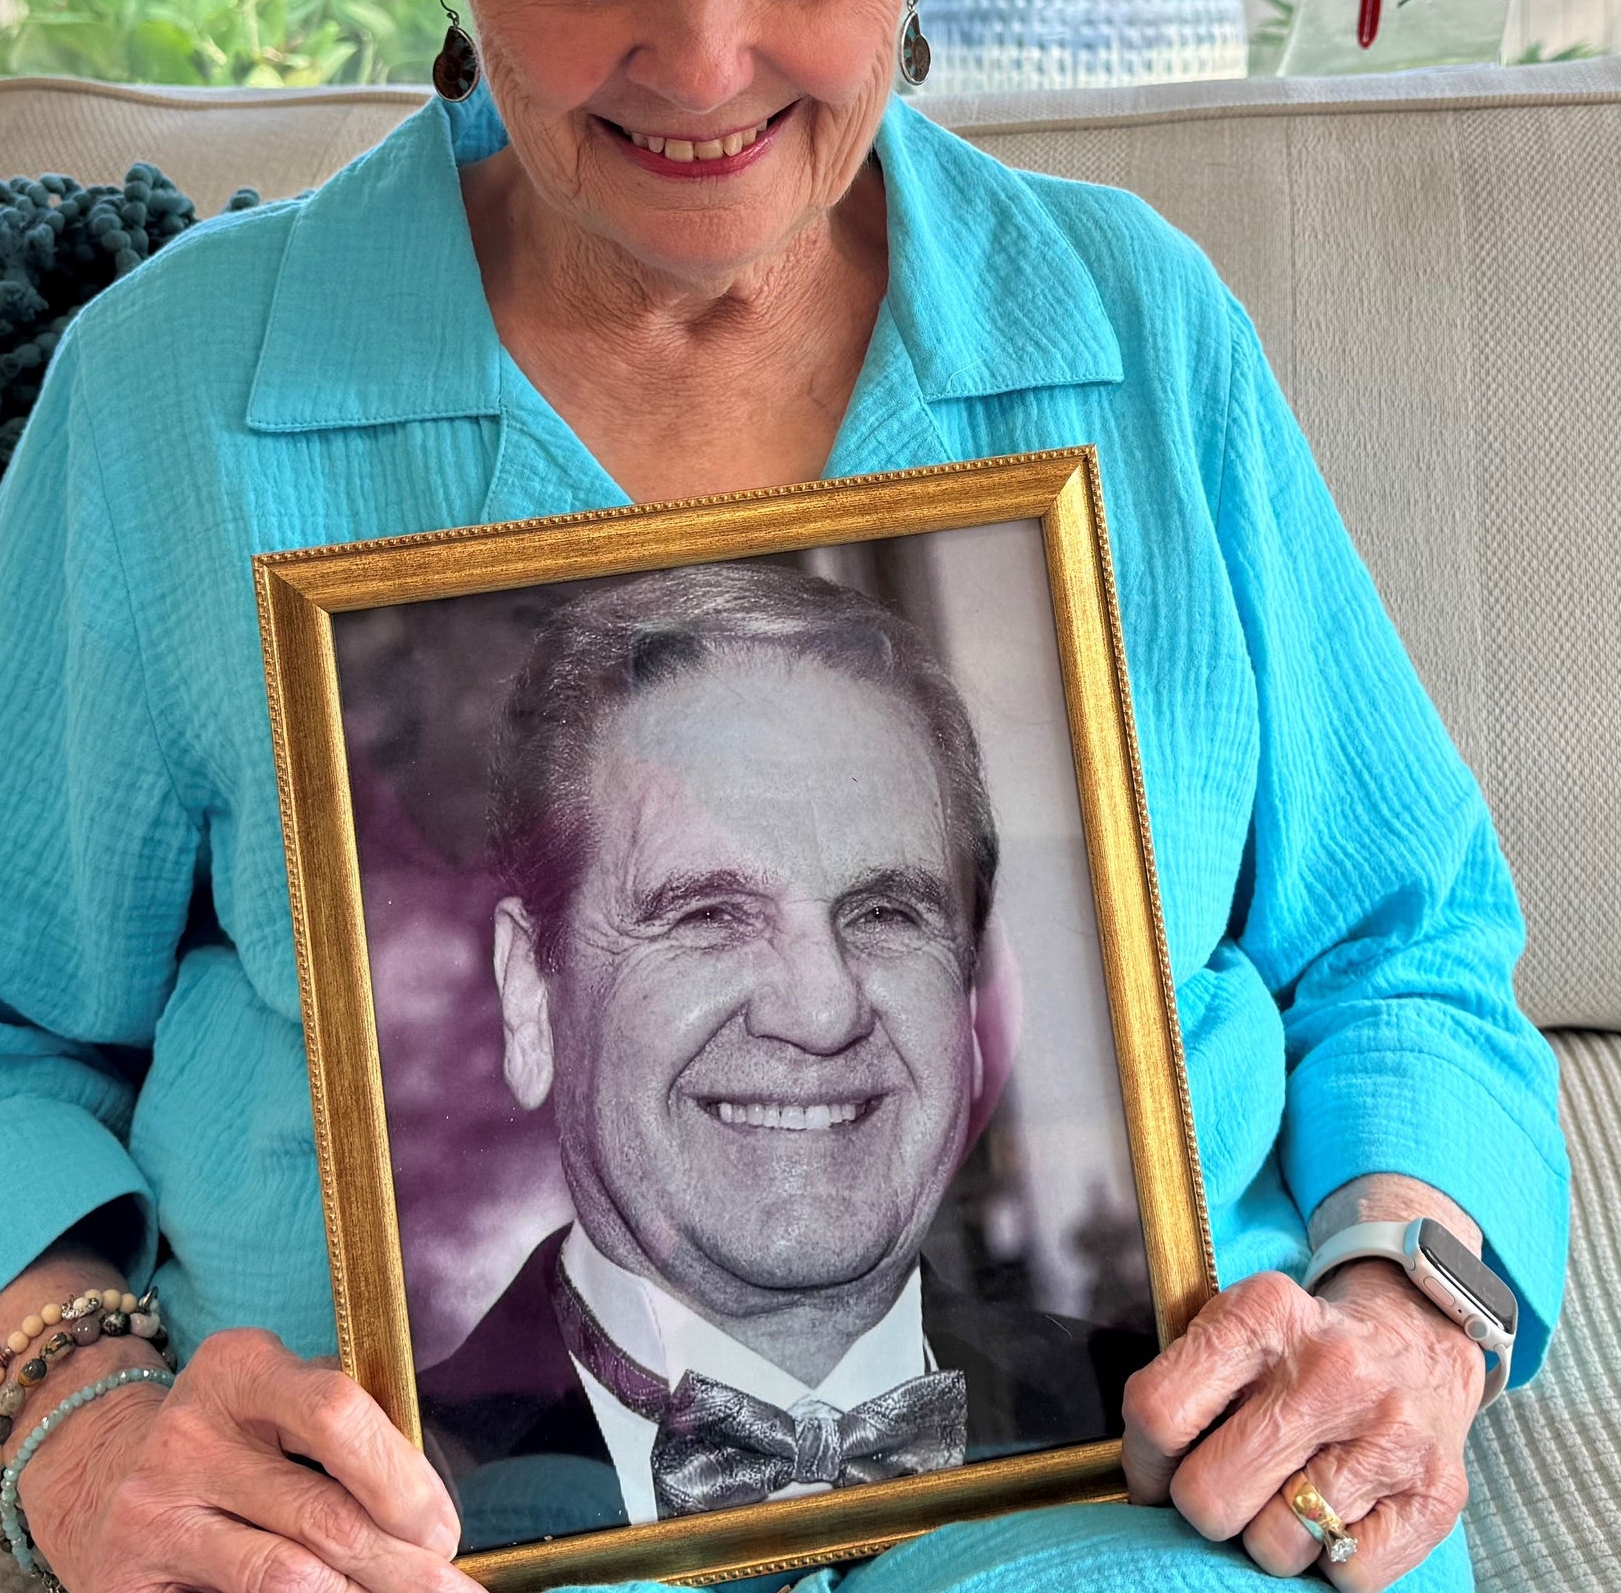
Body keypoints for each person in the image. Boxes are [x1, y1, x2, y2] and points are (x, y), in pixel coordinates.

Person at [0, 0, 1568, 1589]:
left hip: (1136, 1518)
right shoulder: (181, 394)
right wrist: (77, 1421)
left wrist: (1411, 1322)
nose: (702, 62)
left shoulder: (1139, 336)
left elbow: (1400, 940)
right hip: (402, 1542)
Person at [418, 563, 1131, 1540]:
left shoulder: (1136, 1402)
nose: (821, 1005)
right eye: (709, 913)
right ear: (529, 994)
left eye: (885, 911)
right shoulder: (390, 1489)